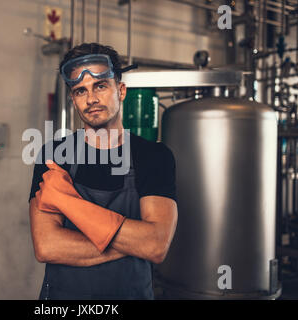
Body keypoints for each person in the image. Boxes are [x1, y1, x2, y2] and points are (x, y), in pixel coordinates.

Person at [28, 43, 178, 300]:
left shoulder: (154, 157)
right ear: (73, 99)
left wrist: (65, 200)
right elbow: (47, 246)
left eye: (100, 86)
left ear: (120, 90)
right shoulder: (54, 156)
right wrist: (134, 244)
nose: (91, 99)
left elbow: (155, 247)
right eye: (79, 91)